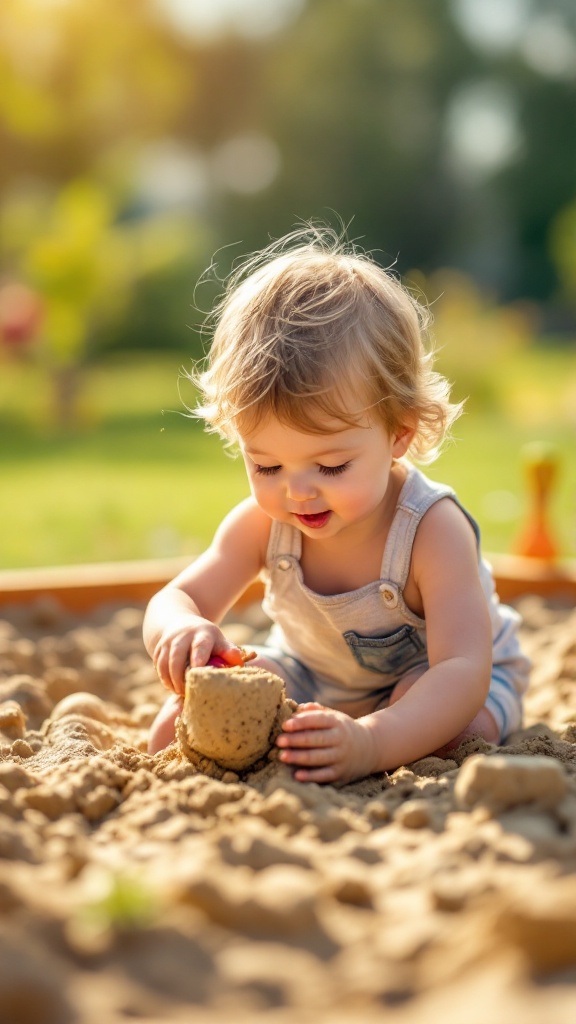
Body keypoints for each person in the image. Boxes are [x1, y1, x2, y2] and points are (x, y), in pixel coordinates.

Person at [143, 225, 530, 784]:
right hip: (311, 672)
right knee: (179, 727)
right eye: (267, 466)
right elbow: (177, 596)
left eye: (330, 466)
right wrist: (180, 628)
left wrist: (373, 743)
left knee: (452, 730)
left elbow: (463, 669)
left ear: (398, 433)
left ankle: (374, 732)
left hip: (442, 677)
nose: (297, 492)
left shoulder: (432, 530)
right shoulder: (262, 525)